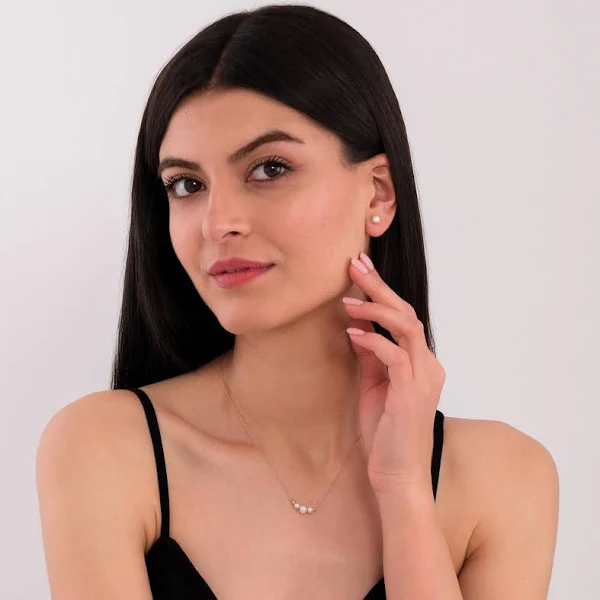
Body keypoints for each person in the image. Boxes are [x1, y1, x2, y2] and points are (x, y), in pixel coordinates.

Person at [36, 4, 559, 599]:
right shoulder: (105, 448)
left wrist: (404, 490)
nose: (218, 222)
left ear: (378, 194)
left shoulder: (505, 479)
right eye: (187, 184)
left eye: (269, 169)